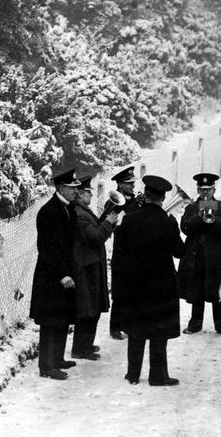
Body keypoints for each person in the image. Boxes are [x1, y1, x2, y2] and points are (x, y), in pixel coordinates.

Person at [112, 174, 186, 386]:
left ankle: (133, 374)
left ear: (144, 195)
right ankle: (158, 375)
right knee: (159, 332)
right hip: (161, 285)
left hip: (136, 284)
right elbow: (180, 252)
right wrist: (176, 228)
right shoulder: (167, 222)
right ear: (162, 198)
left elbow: (120, 254)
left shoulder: (130, 220)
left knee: (136, 330)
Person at [29, 168, 82, 380]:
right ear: (61, 188)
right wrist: (62, 275)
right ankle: (47, 366)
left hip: (64, 273)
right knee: (50, 322)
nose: (76, 192)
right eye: (72, 188)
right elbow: (48, 248)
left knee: (62, 318)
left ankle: (58, 359)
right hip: (51, 277)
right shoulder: (49, 212)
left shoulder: (68, 208)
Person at [178, 172, 221, 334]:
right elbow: (185, 228)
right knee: (196, 291)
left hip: (217, 257)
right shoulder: (191, 208)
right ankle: (195, 324)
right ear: (197, 189)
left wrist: (214, 220)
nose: (205, 192)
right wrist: (198, 217)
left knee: (217, 292)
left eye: (208, 189)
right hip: (197, 257)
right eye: (202, 189)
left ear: (214, 190)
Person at [71, 176, 119, 360]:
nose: (90, 197)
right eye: (88, 193)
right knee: (88, 310)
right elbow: (96, 236)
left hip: (90, 264)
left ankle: (86, 345)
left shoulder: (83, 211)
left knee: (92, 309)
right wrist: (108, 223)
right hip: (86, 267)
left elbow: (97, 231)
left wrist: (107, 223)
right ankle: (81, 348)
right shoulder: (79, 214)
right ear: (81, 194)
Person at [108, 164, 141, 340]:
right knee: (120, 292)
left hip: (136, 252)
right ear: (120, 184)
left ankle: (129, 324)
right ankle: (115, 327)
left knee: (134, 290)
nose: (132, 186)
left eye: (132, 182)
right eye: (128, 183)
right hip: (122, 252)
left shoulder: (136, 201)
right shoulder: (115, 201)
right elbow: (115, 225)